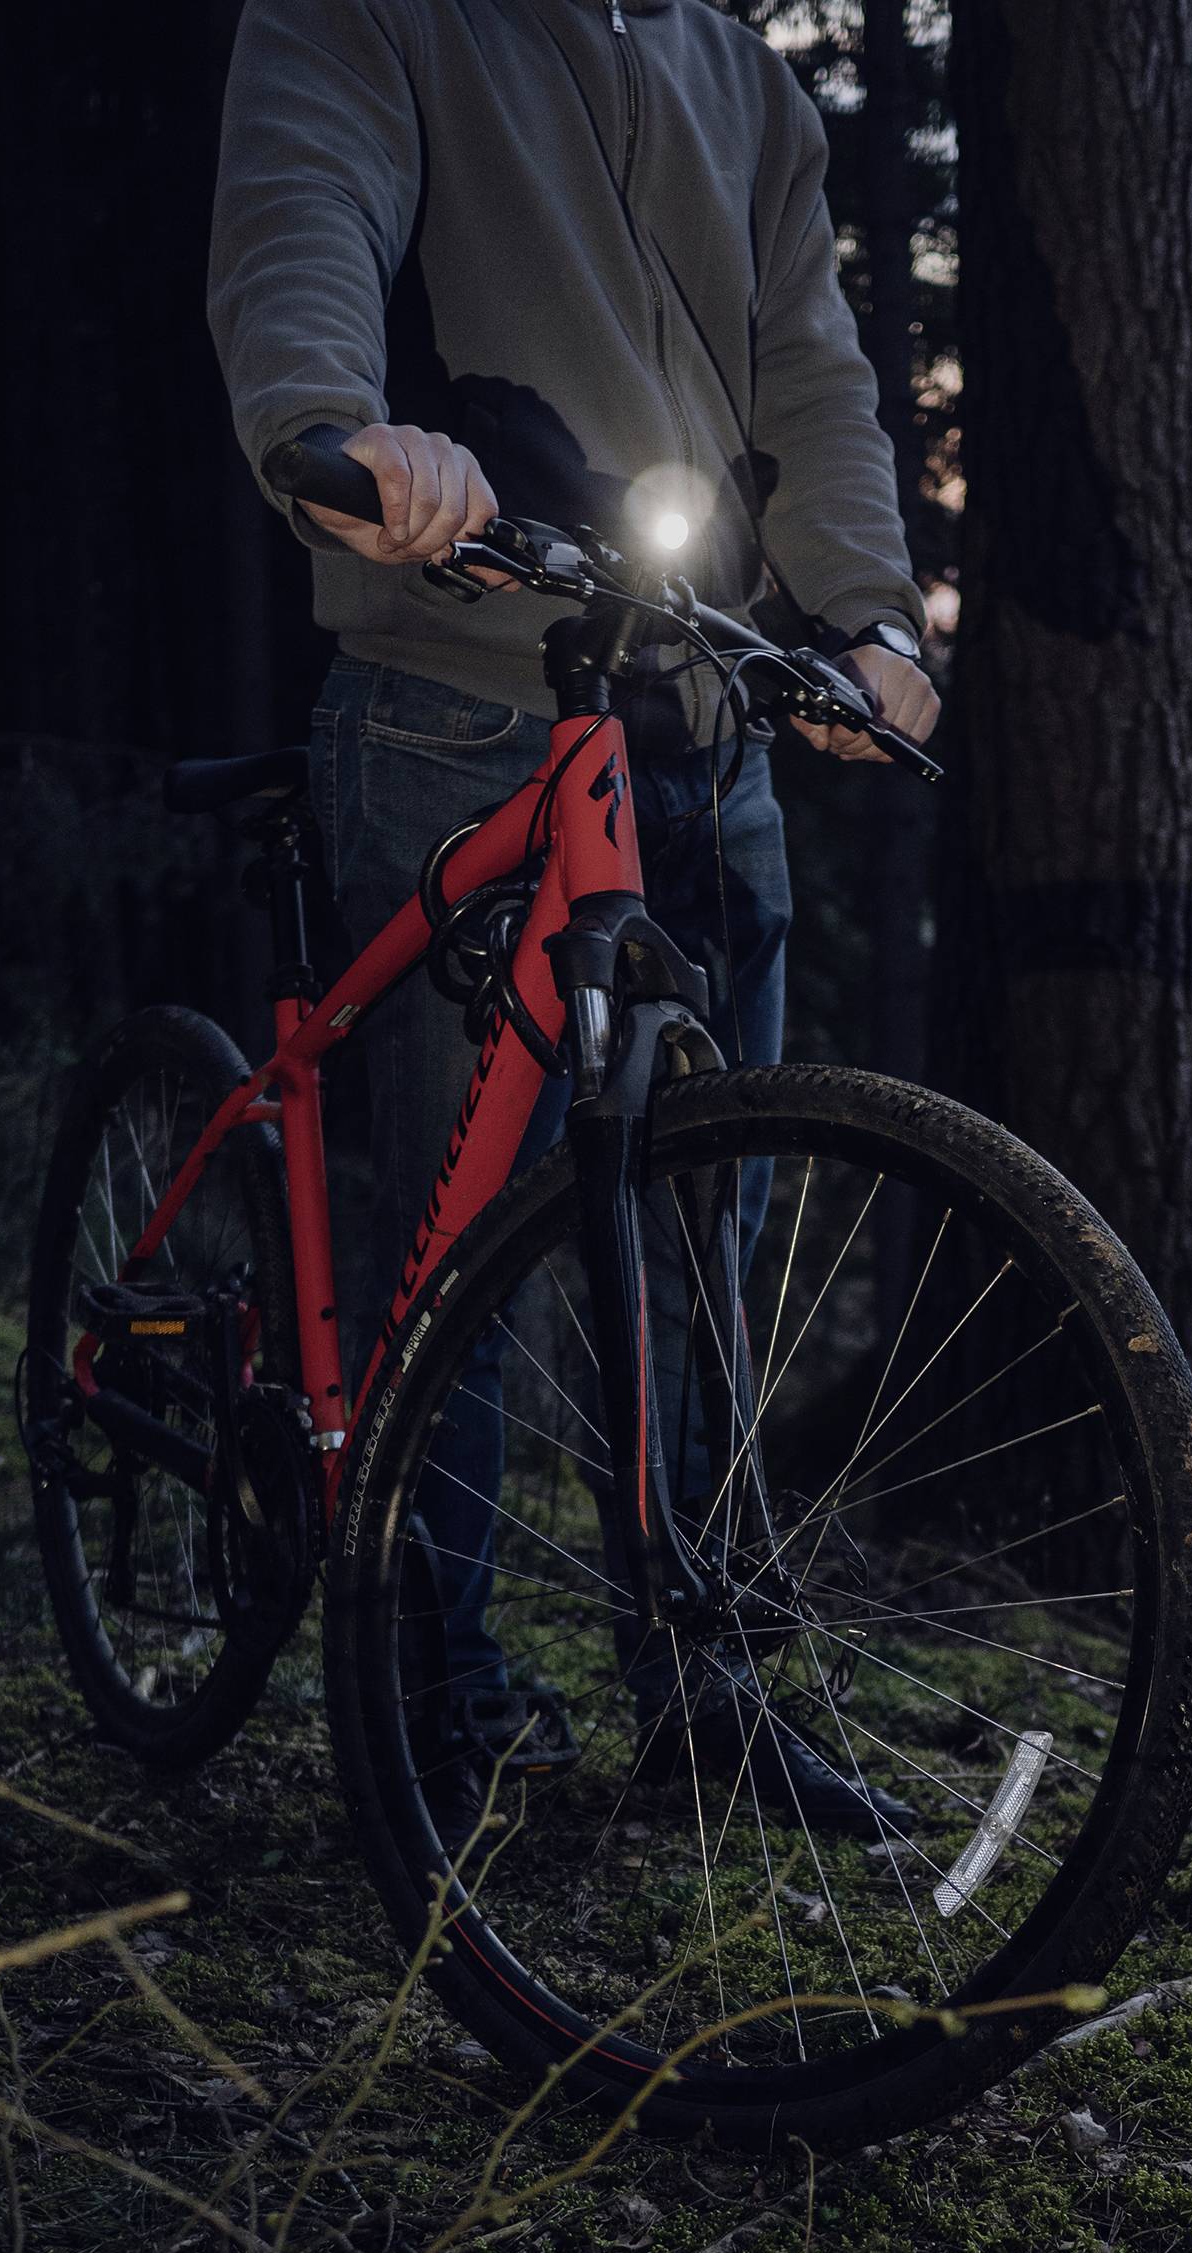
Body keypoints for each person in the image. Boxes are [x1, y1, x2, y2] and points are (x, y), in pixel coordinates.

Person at [208, 0, 939, 1841]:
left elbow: (810, 366)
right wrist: (337, 427)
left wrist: (876, 618)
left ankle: (705, 1689)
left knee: (713, 1238)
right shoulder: (375, 18)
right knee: (446, 1241)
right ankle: (435, 1691)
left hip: (706, 715)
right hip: (462, 709)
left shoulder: (741, 76)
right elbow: (304, 206)